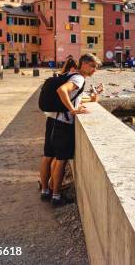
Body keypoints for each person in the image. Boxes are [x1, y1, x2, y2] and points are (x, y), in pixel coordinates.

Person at [39, 53, 100, 206]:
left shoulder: (69, 73)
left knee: (47, 157)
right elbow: (62, 91)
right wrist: (73, 110)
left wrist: (88, 100)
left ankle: (45, 191)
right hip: (63, 124)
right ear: (84, 64)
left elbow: (73, 95)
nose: (94, 70)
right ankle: (56, 196)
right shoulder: (78, 78)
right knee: (61, 161)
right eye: (92, 66)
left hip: (51, 120)